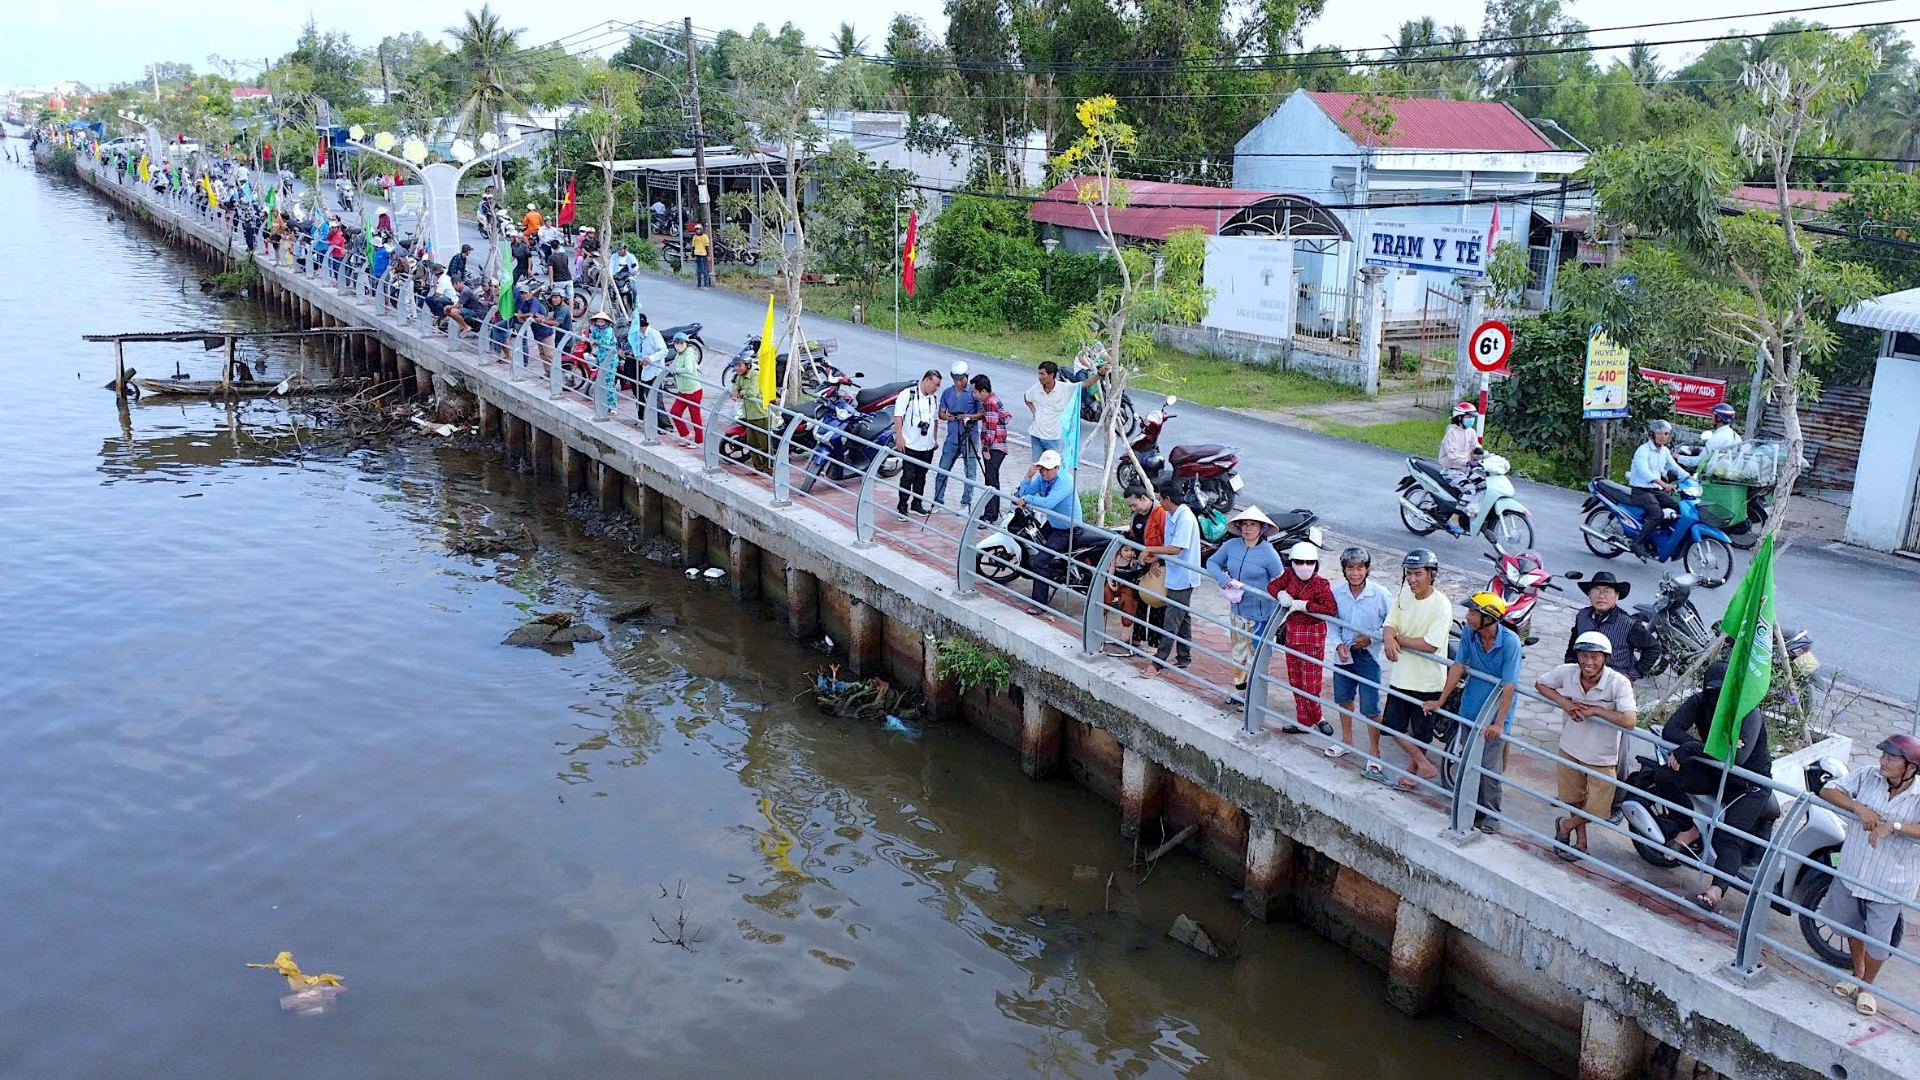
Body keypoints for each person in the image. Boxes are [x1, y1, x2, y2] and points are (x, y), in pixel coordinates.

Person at [1818, 733, 1920, 1017]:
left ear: (1910, 767)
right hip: (1854, 870)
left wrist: (1895, 826)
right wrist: (1857, 806)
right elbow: (1828, 790)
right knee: (1849, 925)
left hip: (1890, 881)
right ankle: (1857, 973)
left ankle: (1867, 987)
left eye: (1892, 758)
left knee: (1878, 941)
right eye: (1883, 756)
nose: (1883, 762)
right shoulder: (1867, 776)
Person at [1536, 632, 1639, 858]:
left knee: (1598, 810)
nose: (1588, 662)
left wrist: (1595, 711)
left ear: (1605, 658)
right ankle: (1581, 843)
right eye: (1584, 656)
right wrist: (1565, 703)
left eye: (1595, 657)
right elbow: (1541, 684)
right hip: (1570, 747)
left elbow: (1630, 720)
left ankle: (1565, 826)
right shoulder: (1567, 672)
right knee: (1575, 800)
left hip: (1603, 756)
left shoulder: (1618, 683)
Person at [1428, 592, 1523, 831]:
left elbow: (1509, 686)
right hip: (1470, 707)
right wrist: (1441, 700)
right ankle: (1468, 805)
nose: (1467, 617)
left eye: (1473, 613)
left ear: (1488, 618)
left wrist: (1499, 724)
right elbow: (1459, 666)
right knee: (1467, 760)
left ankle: (1491, 814)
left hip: (1494, 713)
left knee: (1489, 766)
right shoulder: (1470, 634)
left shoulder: (1510, 642)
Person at [1660, 662, 1773, 859]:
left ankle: (1717, 889)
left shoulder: (1747, 712)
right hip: (1713, 768)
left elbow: (1737, 758)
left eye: (1723, 690)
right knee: (1663, 776)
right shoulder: (1700, 701)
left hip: (1746, 783)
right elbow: (1670, 730)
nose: (1717, 697)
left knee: (1728, 838)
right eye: (1712, 691)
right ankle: (1689, 828)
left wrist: (1695, 748)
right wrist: (1711, 749)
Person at [1380, 549, 1451, 788]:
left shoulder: (1441, 605)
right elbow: (1390, 624)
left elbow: (1430, 644)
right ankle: (1423, 764)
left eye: (1417, 574)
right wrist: (1390, 637)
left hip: (1428, 680)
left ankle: (1415, 769)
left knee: (1421, 734)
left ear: (1431, 574)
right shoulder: (1403, 595)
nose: (1412, 579)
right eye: (1408, 574)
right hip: (1401, 676)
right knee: (1392, 726)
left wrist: (1399, 639)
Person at [1205, 507, 1287, 702]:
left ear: (1262, 529)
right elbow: (1212, 563)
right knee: (1238, 652)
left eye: (1253, 525)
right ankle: (1240, 692)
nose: (1248, 528)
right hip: (1237, 610)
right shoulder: (1231, 546)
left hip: (1261, 616)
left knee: (1258, 657)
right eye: (1245, 524)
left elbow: (1281, 580)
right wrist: (1222, 578)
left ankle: (1255, 698)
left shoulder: (1269, 553)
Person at [1264, 542, 1340, 732]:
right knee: (1296, 679)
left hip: (1313, 637)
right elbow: (1272, 586)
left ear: (1315, 564)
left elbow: (1330, 609)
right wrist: (1280, 593)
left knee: (1311, 682)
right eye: (1299, 562)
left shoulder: (1320, 584)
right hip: (1292, 635)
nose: (1304, 566)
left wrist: (1304, 605)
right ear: (1292, 563)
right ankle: (1304, 721)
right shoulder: (1289, 576)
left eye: (1309, 562)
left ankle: (1318, 717)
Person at [1330, 546, 1393, 762]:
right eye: (1350, 569)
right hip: (1344, 655)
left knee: (1371, 706)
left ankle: (1374, 753)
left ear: (1367, 570)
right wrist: (1338, 645)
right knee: (1344, 700)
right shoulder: (1337, 593)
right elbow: (1332, 622)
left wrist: (1372, 638)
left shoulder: (1381, 594)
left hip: (1369, 656)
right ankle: (1347, 741)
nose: (1355, 573)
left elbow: (1391, 624)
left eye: (1359, 568)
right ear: (1344, 570)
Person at [1141, 480, 1200, 672]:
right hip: (1175, 573)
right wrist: (1156, 555)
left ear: (1167, 499)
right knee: (1182, 617)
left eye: (1160, 498)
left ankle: (1159, 662)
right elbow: (1169, 547)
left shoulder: (1185, 519)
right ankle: (1184, 657)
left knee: (1172, 620)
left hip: (1184, 576)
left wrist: (1151, 549)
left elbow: (1175, 548)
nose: (1158, 502)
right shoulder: (1172, 515)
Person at [1015, 449, 1081, 612]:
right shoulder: (1042, 478)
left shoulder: (1065, 481)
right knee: (1033, 548)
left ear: (1057, 468)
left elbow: (1047, 503)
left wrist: (1027, 499)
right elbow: (1023, 493)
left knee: (1040, 561)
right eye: (1041, 468)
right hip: (1053, 524)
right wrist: (1028, 476)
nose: (1044, 472)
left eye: (1048, 469)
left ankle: (1039, 604)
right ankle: (1048, 576)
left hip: (1067, 529)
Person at [1111, 487, 1164, 651]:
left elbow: (1166, 539)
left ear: (1143, 498)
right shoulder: (1137, 516)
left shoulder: (1159, 513)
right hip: (1141, 560)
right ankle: (1137, 636)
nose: (1134, 509)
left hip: (1156, 561)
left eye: (1134, 505)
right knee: (1139, 599)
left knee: (1156, 601)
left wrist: (1157, 559)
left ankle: (1155, 643)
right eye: (1131, 507)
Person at [1628, 419, 1689, 557]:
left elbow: (1674, 467)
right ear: (1651, 435)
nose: (1663, 436)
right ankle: (1637, 542)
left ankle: (1659, 535)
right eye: (1660, 433)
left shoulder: (1665, 451)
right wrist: (1664, 484)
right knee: (1656, 514)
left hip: (1655, 490)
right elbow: (1645, 472)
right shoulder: (1643, 451)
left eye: (1666, 433)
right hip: (1641, 490)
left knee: (1679, 508)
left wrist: (1689, 478)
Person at [892, 369, 942, 516]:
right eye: (936, 385)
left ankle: (917, 503)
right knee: (908, 476)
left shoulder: (933, 398)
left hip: (927, 446)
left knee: (921, 476)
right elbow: (898, 416)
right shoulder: (908, 395)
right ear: (927, 380)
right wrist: (900, 438)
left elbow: (935, 420)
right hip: (911, 444)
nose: (937, 388)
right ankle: (902, 506)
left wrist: (934, 439)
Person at [932, 361, 981, 509]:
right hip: (952, 437)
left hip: (970, 437)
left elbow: (981, 414)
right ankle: (938, 500)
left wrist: (968, 417)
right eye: (956, 380)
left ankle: (966, 502)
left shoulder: (973, 393)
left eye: (962, 379)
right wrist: (952, 418)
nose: (960, 383)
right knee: (942, 469)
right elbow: (941, 413)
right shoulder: (947, 392)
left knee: (970, 472)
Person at [972, 373, 1010, 522]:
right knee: (993, 480)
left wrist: (986, 448)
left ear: (983, 391)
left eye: (975, 391)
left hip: (994, 447)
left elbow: (991, 428)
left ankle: (989, 516)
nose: (974, 395)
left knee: (990, 483)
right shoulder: (993, 400)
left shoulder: (990, 403)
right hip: (998, 446)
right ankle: (992, 513)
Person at [1023, 361, 1077, 462]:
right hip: (1036, 435)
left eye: (1042, 374)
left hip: (1054, 437)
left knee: (1054, 466)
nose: (1039, 377)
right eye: (1039, 373)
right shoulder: (1036, 388)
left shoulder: (1064, 388)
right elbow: (1027, 397)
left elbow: (1085, 384)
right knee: (1037, 466)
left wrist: (1099, 374)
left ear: (1051, 375)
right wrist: (1034, 411)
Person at [729, 349, 771, 473]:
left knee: (765, 445)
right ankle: (758, 468)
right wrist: (735, 389)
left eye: (739, 365)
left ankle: (768, 468)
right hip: (748, 415)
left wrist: (740, 393)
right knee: (752, 443)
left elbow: (752, 392)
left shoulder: (755, 375)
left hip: (760, 414)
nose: (737, 368)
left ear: (747, 366)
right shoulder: (740, 376)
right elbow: (736, 385)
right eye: (736, 366)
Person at [628, 314, 670, 427]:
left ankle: (666, 425)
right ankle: (655, 423)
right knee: (649, 399)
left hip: (656, 371)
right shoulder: (640, 336)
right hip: (646, 372)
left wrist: (650, 358)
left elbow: (664, 351)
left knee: (656, 400)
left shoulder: (654, 334)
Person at [668, 332, 704, 445]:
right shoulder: (679, 354)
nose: (678, 345)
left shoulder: (688, 354)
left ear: (686, 343)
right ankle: (686, 435)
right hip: (683, 390)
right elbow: (674, 364)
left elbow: (688, 369)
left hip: (693, 390)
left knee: (695, 417)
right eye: (676, 343)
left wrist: (676, 369)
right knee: (675, 412)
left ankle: (698, 441)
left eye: (681, 343)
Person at [1438, 402, 1481, 473]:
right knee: (1467, 484)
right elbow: (1453, 454)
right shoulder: (1451, 432)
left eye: (1473, 417)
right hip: (1451, 470)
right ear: (1459, 417)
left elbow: (1475, 445)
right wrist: (1467, 462)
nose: (1472, 419)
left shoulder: (1471, 431)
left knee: (1481, 483)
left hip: (1467, 469)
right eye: (1469, 417)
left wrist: (1481, 453)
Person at [690, 223, 713, 288]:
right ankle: (699, 284)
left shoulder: (705, 237)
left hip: (703, 255)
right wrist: (692, 254)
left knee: (704, 270)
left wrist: (708, 255)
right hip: (697, 255)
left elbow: (707, 247)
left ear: (701, 230)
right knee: (698, 270)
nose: (697, 231)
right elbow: (693, 246)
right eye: (696, 229)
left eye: (699, 229)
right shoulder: (694, 237)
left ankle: (706, 284)